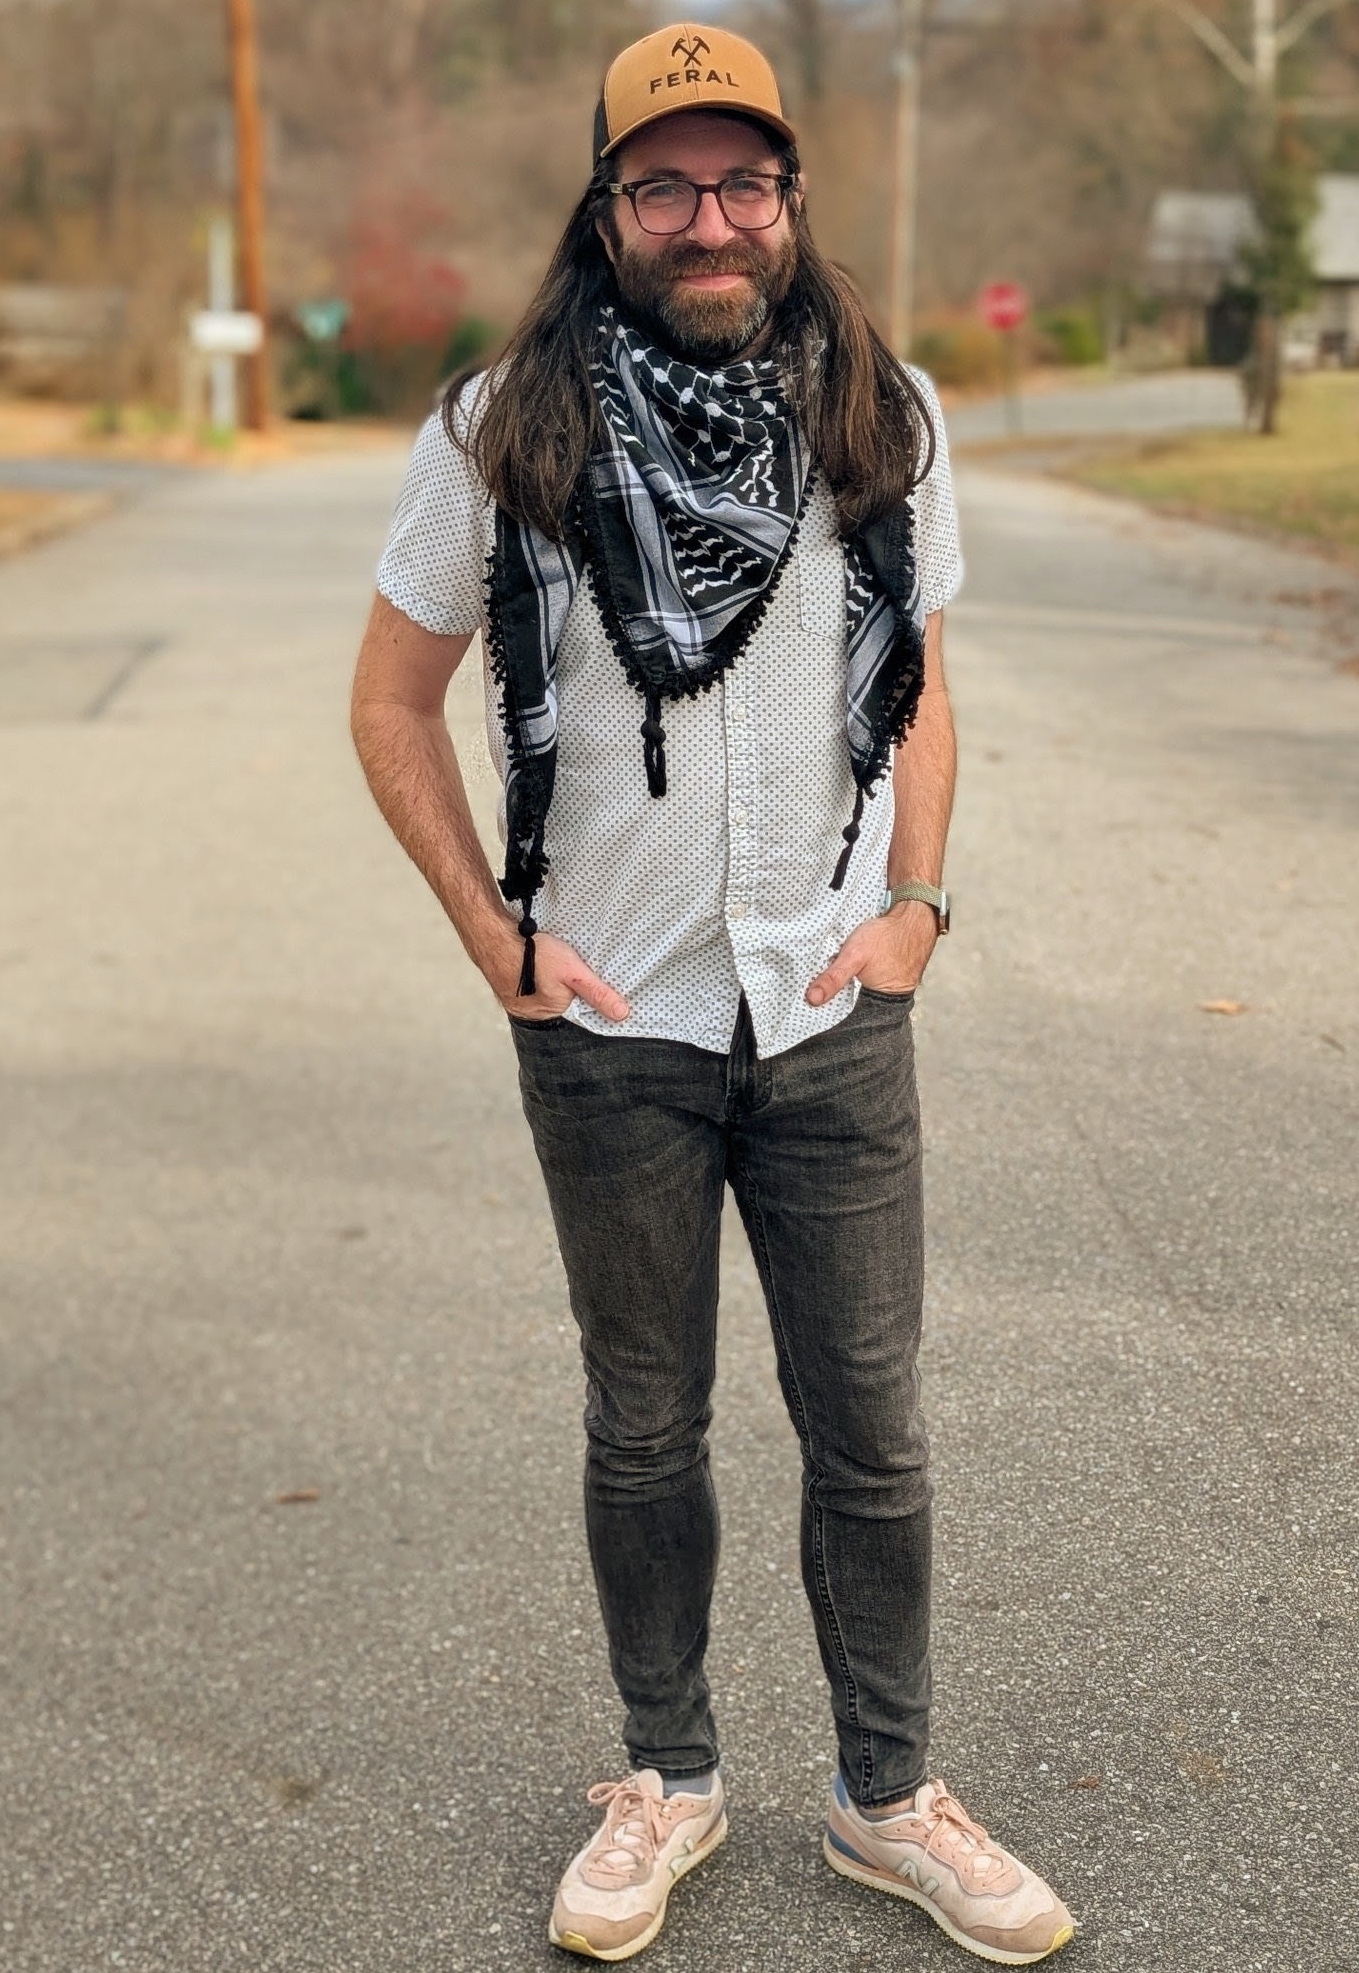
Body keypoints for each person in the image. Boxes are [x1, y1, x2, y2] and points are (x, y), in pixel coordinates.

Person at [351, 19, 1074, 1965]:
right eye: (661, 183)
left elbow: (917, 680)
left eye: (738, 178)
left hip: (832, 1007)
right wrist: (489, 939)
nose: (707, 216)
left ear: (788, 196)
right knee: (642, 1423)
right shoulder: (503, 426)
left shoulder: (883, 414)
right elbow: (390, 700)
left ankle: (885, 1796)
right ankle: (665, 1778)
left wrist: (914, 903)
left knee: (872, 1428)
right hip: (613, 1031)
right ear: (606, 210)